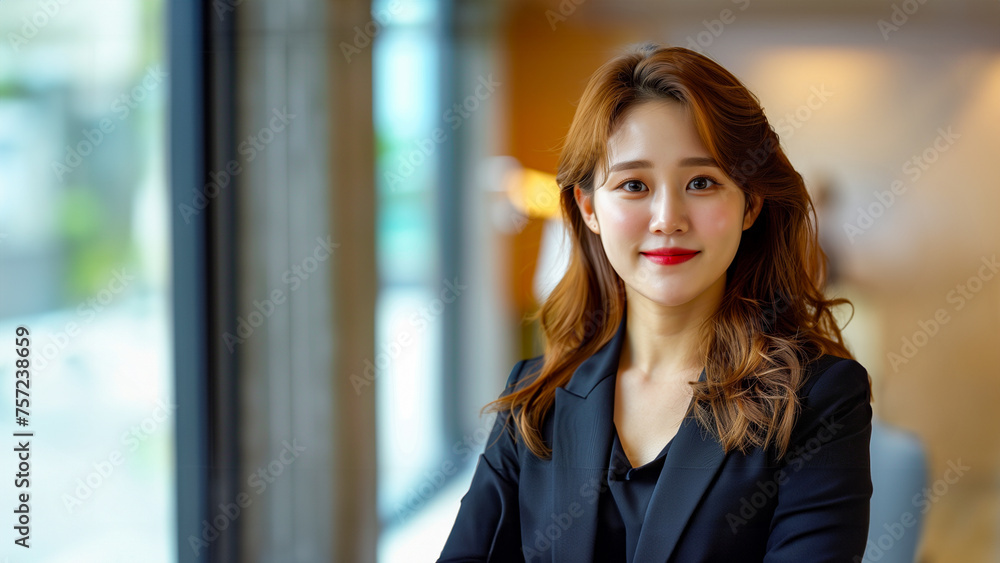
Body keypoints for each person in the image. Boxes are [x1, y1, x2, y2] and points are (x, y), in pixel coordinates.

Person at [438, 43, 873, 563]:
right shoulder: (536, 400)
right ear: (588, 207)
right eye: (634, 185)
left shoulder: (818, 400)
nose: (668, 218)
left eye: (701, 182)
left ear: (750, 204)